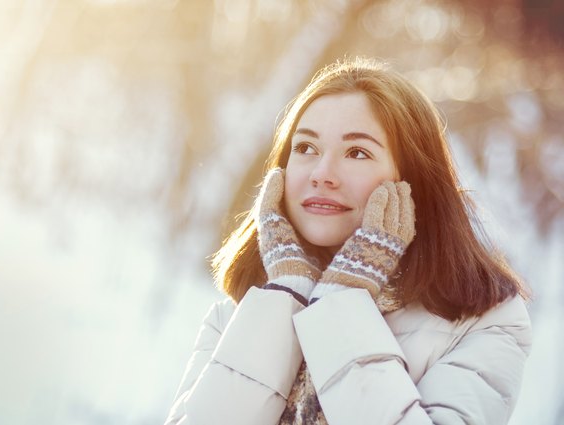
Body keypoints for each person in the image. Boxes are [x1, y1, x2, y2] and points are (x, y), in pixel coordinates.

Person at [164, 57, 532, 424]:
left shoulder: (486, 322)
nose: (322, 174)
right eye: (306, 148)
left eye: (357, 152)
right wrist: (289, 293)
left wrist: (341, 302)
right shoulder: (237, 314)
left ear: (412, 181)